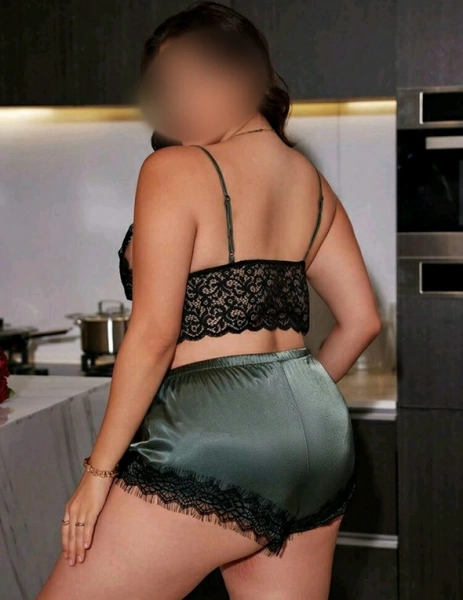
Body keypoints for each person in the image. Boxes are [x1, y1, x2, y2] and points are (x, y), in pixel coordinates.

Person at [37, 3, 381, 599]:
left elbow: (154, 337)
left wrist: (97, 474)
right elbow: (362, 322)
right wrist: (282, 408)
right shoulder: (310, 181)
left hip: (210, 438)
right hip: (320, 439)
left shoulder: (173, 169)